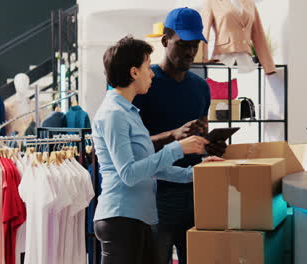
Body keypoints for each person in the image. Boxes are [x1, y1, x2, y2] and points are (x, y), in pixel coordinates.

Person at [92, 36, 221, 264]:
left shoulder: (129, 112)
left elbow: (152, 168)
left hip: (137, 219)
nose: (151, 73)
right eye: (146, 66)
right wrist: (176, 148)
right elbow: (129, 174)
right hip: (121, 218)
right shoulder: (113, 114)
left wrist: (198, 171)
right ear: (134, 72)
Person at [133, 8, 227, 264]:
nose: (189, 52)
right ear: (165, 41)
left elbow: (202, 137)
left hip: (197, 191)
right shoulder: (144, 85)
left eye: (194, 45)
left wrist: (212, 146)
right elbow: (132, 148)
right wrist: (173, 136)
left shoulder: (200, 87)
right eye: (182, 44)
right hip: (156, 193)